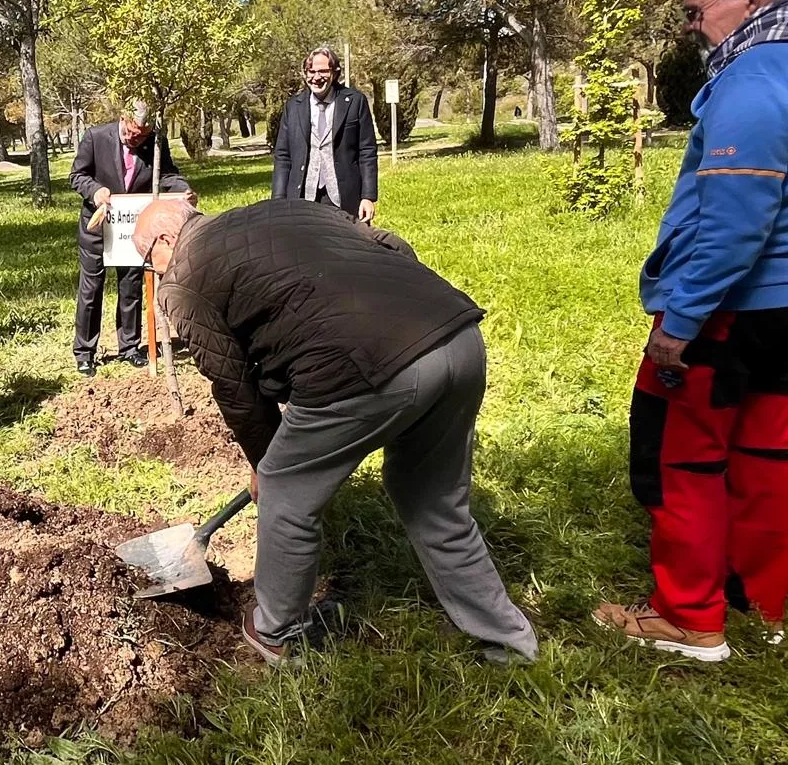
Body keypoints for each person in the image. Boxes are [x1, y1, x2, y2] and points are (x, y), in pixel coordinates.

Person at [132, 197, 538, 666]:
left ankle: (275, 631)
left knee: (286, 492)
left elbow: (234, 385)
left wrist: (268, 463)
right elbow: (391, 245)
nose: (156, 273)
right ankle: (511, 642)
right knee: (434, 501)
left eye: (150, 262)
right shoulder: (283, 208)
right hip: (457, 338)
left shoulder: (184, 279)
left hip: (369, 370)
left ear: (165, 240)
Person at [593, 0, 788, 661]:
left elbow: (732, 224)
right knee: (765, 445)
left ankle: (690, 617)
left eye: (697, 11)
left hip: (729, 306)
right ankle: (759, 595)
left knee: (682, 457)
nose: (693, 26)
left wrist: (679, 324)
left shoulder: (754, 79)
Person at [67, 100, 194, 376]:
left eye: (142, 135)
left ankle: (129, 347)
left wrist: (184, 191)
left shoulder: (155, 142)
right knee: (91, 290)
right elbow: (77, 175)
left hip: (132, 229)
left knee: (131, 287)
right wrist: (95, 190)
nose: (135, 139)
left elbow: (168, 174)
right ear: (123, 119)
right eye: (132, 132)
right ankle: (85, 353)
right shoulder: (95, 137)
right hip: (98, 228)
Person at [271, 46, 379, 222]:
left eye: (322, 71)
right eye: (311, 71)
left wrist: (368, 196)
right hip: (302, 196)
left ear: (335, 73)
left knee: (346, 246)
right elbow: (283, 156)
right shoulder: (293, 106)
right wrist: (278, 201)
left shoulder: (355, 101)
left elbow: (367, 151)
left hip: (343, 197)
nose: (316, 77)